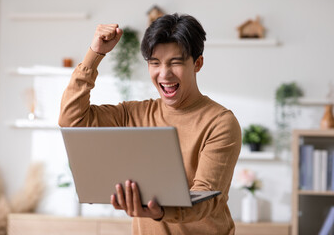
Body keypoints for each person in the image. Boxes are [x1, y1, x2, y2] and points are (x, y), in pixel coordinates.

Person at [59, 13, 241, 235]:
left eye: (175, 63)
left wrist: (159, 211)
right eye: (155, 63)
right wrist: (95, 54)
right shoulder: (133, 114)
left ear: (198, 63)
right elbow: (72, 120)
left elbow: (206, 197)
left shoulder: (220, 122)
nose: (164, 74)